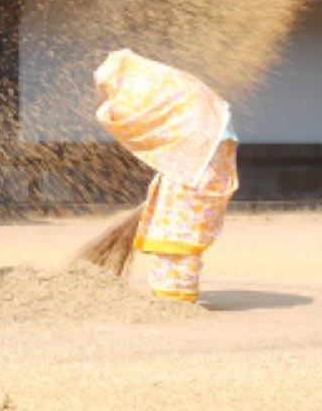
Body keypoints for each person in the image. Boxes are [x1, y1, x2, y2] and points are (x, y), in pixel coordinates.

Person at [95, 49, 239, 302]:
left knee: (175, 231)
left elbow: (121, 117)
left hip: (198, 160)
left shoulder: (144, 89)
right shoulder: (173, 85)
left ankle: (174, 298)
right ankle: (175, 294)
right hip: (205, 156)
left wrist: (104, 110)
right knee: (175, 225)